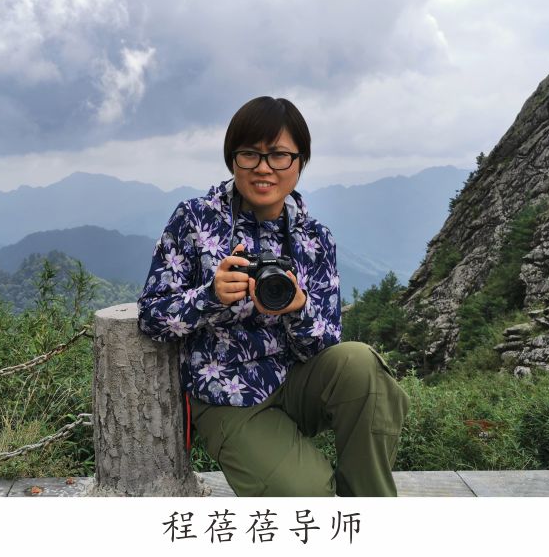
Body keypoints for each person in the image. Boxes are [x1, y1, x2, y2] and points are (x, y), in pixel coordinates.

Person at [137, 96, 410, 497]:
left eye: (279, 155)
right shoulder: (194, 220)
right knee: (308, 498)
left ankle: (369, 506)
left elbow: (328, 343)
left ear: (300, 162)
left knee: (362, 366)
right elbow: (150, 315)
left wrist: (298, 309)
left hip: (296, 380)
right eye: (250, 154)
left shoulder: (315, 237)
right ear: (233, 159)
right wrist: (210, 296)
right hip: (228, 393)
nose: (264, 168)